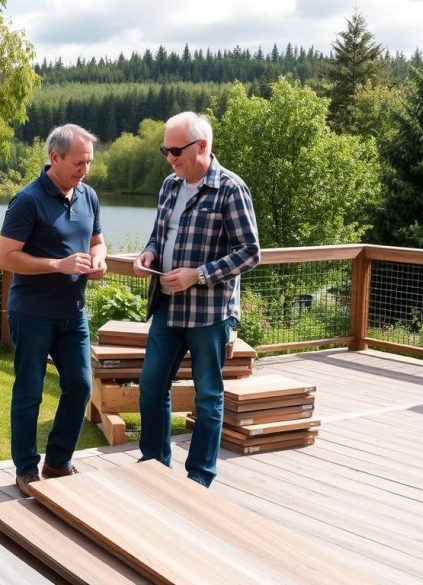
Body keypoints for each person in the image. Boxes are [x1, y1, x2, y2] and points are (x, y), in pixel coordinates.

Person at [133, 111, 260, 487]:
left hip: (209, 314)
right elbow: (158, 236)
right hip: (168, 308)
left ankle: (199, 478)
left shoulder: (231, 189)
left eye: (176, 150)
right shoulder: (170, 185)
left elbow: (250, 252)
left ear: (201, 146)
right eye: (165, 150)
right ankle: (155, 467)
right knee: (152, 386)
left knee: (207, 396)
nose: (170, 158)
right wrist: (149, 254)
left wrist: (198, 275)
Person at [0, 124, 106, 497]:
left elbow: (98, 242)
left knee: (80, 385)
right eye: (78, 162)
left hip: (73, 311)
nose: (84, 170)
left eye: (88, 162)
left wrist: (98, 260)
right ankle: (26, 468)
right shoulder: (27, 200)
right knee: (29, 391)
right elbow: (5, 258)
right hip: (32, 312)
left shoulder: (88, 196)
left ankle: (58, 461)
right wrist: (56, 265)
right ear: (54, 157)